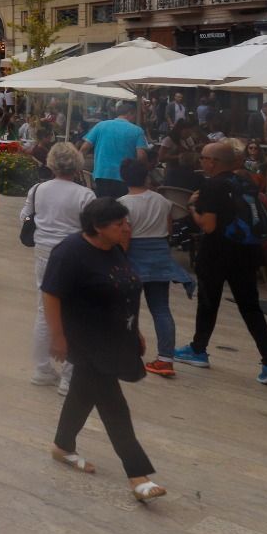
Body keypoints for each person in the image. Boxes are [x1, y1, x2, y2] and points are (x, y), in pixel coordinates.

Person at [41, 197, 166, 501]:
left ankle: (62, 445)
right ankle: (138, 475)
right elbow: (50, 295)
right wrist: (57, 337)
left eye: (126, 222)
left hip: (114, 337)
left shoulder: (114, 249)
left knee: (83, 394)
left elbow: (124, 289)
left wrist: (134, 329)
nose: (127, 228)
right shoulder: (70, 252)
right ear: (97, 227)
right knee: (114, 406)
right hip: (86, 339)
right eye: (119, 224)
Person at [173, 142, 267, 386]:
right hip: (247, 254)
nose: (201, 162)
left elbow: (208, 225)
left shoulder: (211, 186)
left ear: (213, 162)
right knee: (251, 308)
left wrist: (193, 207)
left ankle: (198, 349)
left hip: (216, 254)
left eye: (203, 158)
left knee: (208, 303)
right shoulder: (246, 182)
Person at [22, 142, 94, 391]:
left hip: (43, 252)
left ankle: (42, 369)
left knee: (44, 310)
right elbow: (91, 228)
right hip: (74, 254)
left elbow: (25, 216)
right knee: (75, 312)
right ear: (76, 165)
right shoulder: (85, 195)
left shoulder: (38, 189)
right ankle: (69, 376)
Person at [118, 157, 193, 378]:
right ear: (147, 176)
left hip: (134, 257)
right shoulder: (162, 201)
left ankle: (128, 353)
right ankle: (165, 359)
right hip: (160, 257)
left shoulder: (122, 203)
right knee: (161, 310)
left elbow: (125, 235)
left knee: (128, 309)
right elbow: (168, 230)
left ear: (124, 177)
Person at [81, 101, 150, 199]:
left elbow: (84, 149)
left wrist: (78, 169)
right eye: (134, 115)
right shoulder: (137, 130)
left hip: (101, 174)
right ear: (130, 113)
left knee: (104, 207)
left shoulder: (101, 125)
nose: (134, 118)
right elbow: (141, 156)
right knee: (120, 209)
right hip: (125, 176)